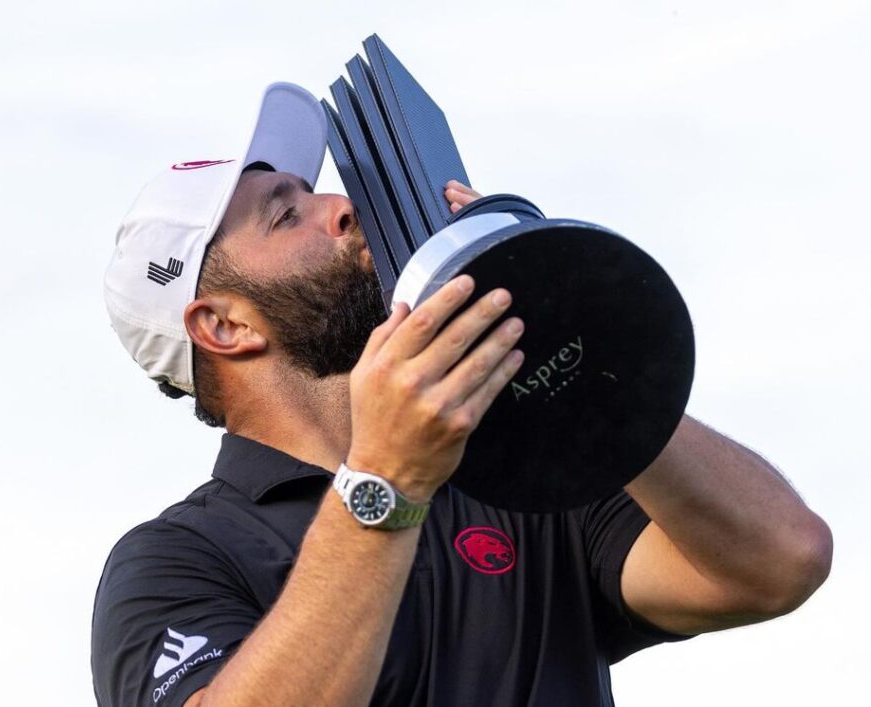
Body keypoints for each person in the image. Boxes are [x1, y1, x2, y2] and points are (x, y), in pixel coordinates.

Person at [93, 82, 832, 707]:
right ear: (223, 324)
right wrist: (387, 479)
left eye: (314, 193)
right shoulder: (175, 560)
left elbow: (780, 560)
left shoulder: (517, 464)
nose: (343, 208)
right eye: (286, 215)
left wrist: (563, 329)